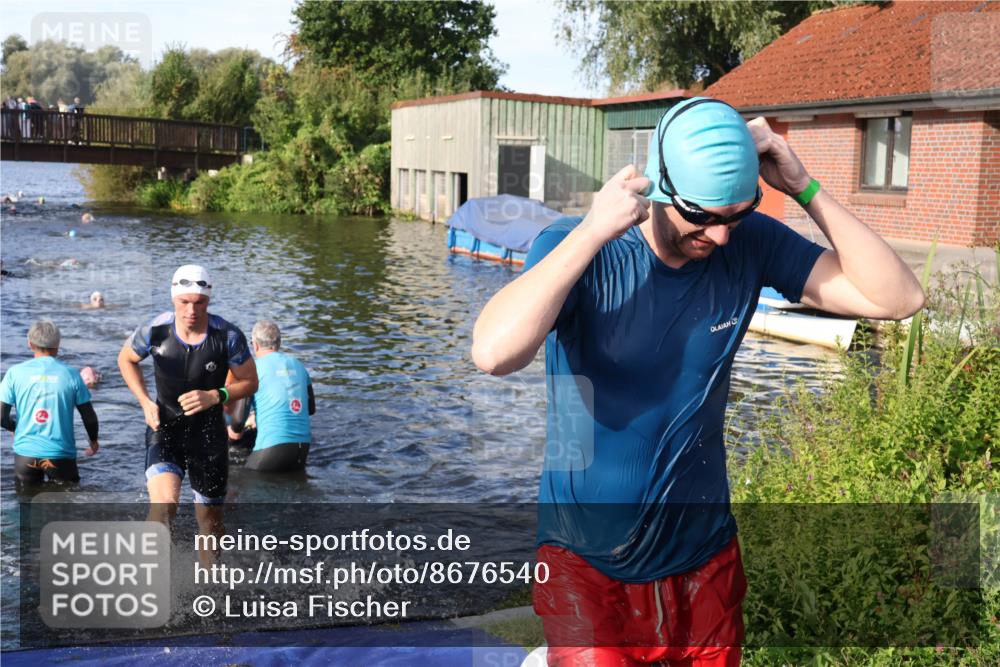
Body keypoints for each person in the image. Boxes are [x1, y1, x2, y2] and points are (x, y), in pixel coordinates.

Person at [471, 97, 925, 666]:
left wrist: (805, 187)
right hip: (585, 560)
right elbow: (493, 353)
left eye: (736, 214)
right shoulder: (581, 249)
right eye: (703, 216)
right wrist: (589, 232)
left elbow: (899, 298)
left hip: (703, 553)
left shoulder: (751, 243)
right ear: (661, 186)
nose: (721, 236)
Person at [117, 265, 257, 559]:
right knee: (164, 506)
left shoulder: (228, 336)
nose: (191, 310)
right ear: (173, 299)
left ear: (209, 300)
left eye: (199, 302)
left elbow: (250, 381)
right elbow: (125, 359)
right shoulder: (155, 331)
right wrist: (144, 401)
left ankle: (208, 588)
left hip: (208, 437)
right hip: (164, 429)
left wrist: (215, 395)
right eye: (184, 302)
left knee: (210, 523)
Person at [0, 320, 99, 488]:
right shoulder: (72, 374)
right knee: (65, 508)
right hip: (61, 456)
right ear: (58, 345)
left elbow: (1, 417)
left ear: (30, 344)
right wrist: (93, 440)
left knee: (25, 507)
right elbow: (88, 416)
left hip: (25, 456)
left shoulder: (14, 373)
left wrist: (16, 428)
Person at [232, 320, 314, 472]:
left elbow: (237, 424)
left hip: (270, 449)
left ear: (254, 344)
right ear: (279, 343)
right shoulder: (299, 365)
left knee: (238, 483)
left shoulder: (252, 369)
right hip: (302, 449)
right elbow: (310, 409)